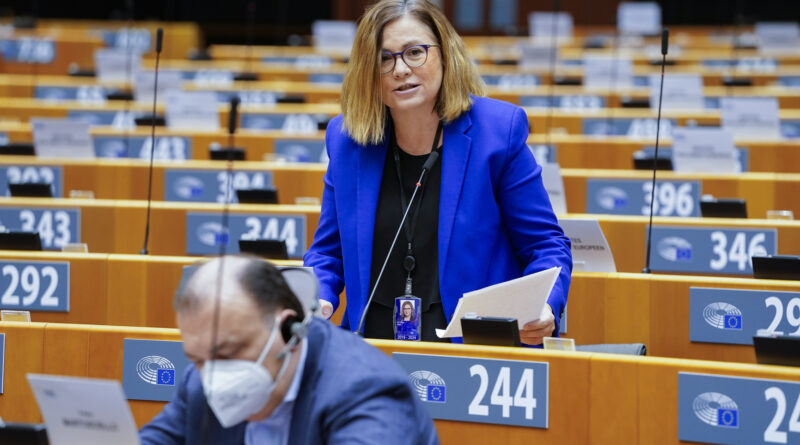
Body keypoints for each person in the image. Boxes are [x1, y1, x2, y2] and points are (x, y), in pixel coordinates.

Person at [303, 0, 572, 345]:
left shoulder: (497, 132)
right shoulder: (348, 139)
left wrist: (545, 306)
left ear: (445, 55)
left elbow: (546, 246)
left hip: (472, 354)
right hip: (372, 351)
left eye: (415, 52)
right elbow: (327, 252)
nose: (400, 69)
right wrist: (319, 296)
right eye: (384, 59)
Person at [139, 255, 439, 445]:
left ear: (288, 330)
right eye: (197, 359)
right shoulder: (200, 381)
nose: (213, 375)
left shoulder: (366, 392)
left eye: (229, 353)